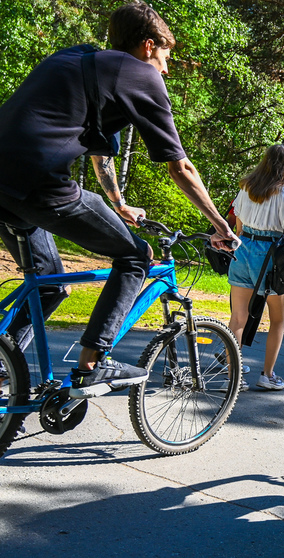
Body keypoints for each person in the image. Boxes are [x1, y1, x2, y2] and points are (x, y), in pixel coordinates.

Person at [0, 3, 239, 398]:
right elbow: (180, 168)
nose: (165, 69)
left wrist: (118, 203)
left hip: (7, 183)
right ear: (148, 47)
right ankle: (92, 365)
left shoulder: (81, 58)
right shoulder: (142, 75)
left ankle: (4, 365)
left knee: (47, 284)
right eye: (165, 58)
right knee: (135, 257)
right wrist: (220, 223)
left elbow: (100, 153)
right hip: (40, 182)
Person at [227, 144, 284, 391]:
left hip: (243, 248)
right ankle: (267, 374)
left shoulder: (246, 186)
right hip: (271, 255)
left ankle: (233, 376)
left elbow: (237, 225)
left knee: (238, 317)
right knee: (277, 320)